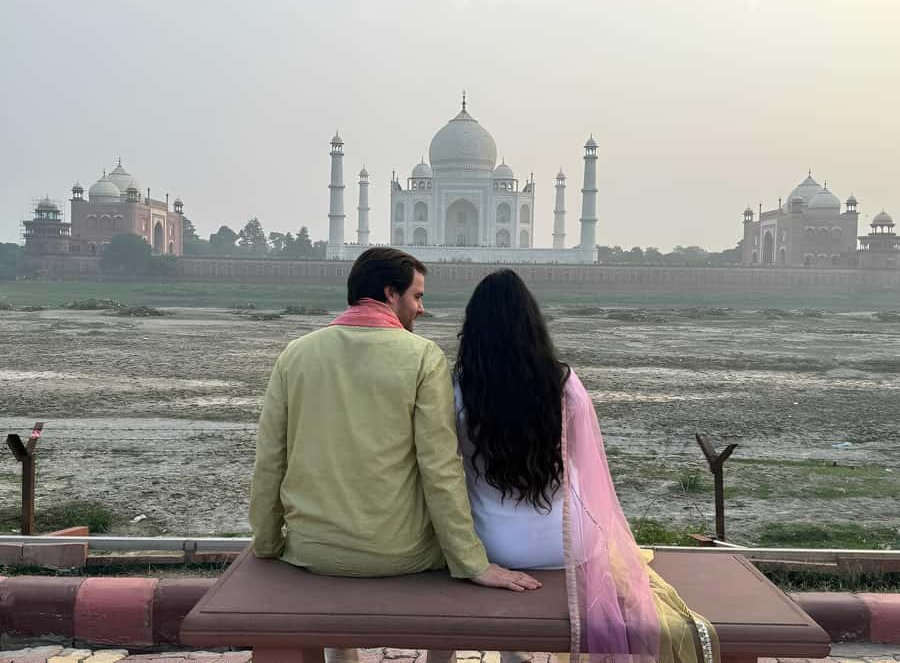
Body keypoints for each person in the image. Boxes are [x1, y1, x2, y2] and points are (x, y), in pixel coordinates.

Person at [454, 269, 718, 663]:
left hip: (495, 547)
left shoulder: (459, 390)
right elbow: (584, 463)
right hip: (566, 544)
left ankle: (512, 653)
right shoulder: (563, 384)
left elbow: (450, 468)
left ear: (473, 329)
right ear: (533, 325)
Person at [249, 247, 540, 596]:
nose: (421, 308)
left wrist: (266, 543)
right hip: (401, 554)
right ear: (390, 293)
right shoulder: (423, 357)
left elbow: (271, 460)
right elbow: (440, 468)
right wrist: (472, 562)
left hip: (313, 552)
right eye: (417, 296)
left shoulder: (294, 355)